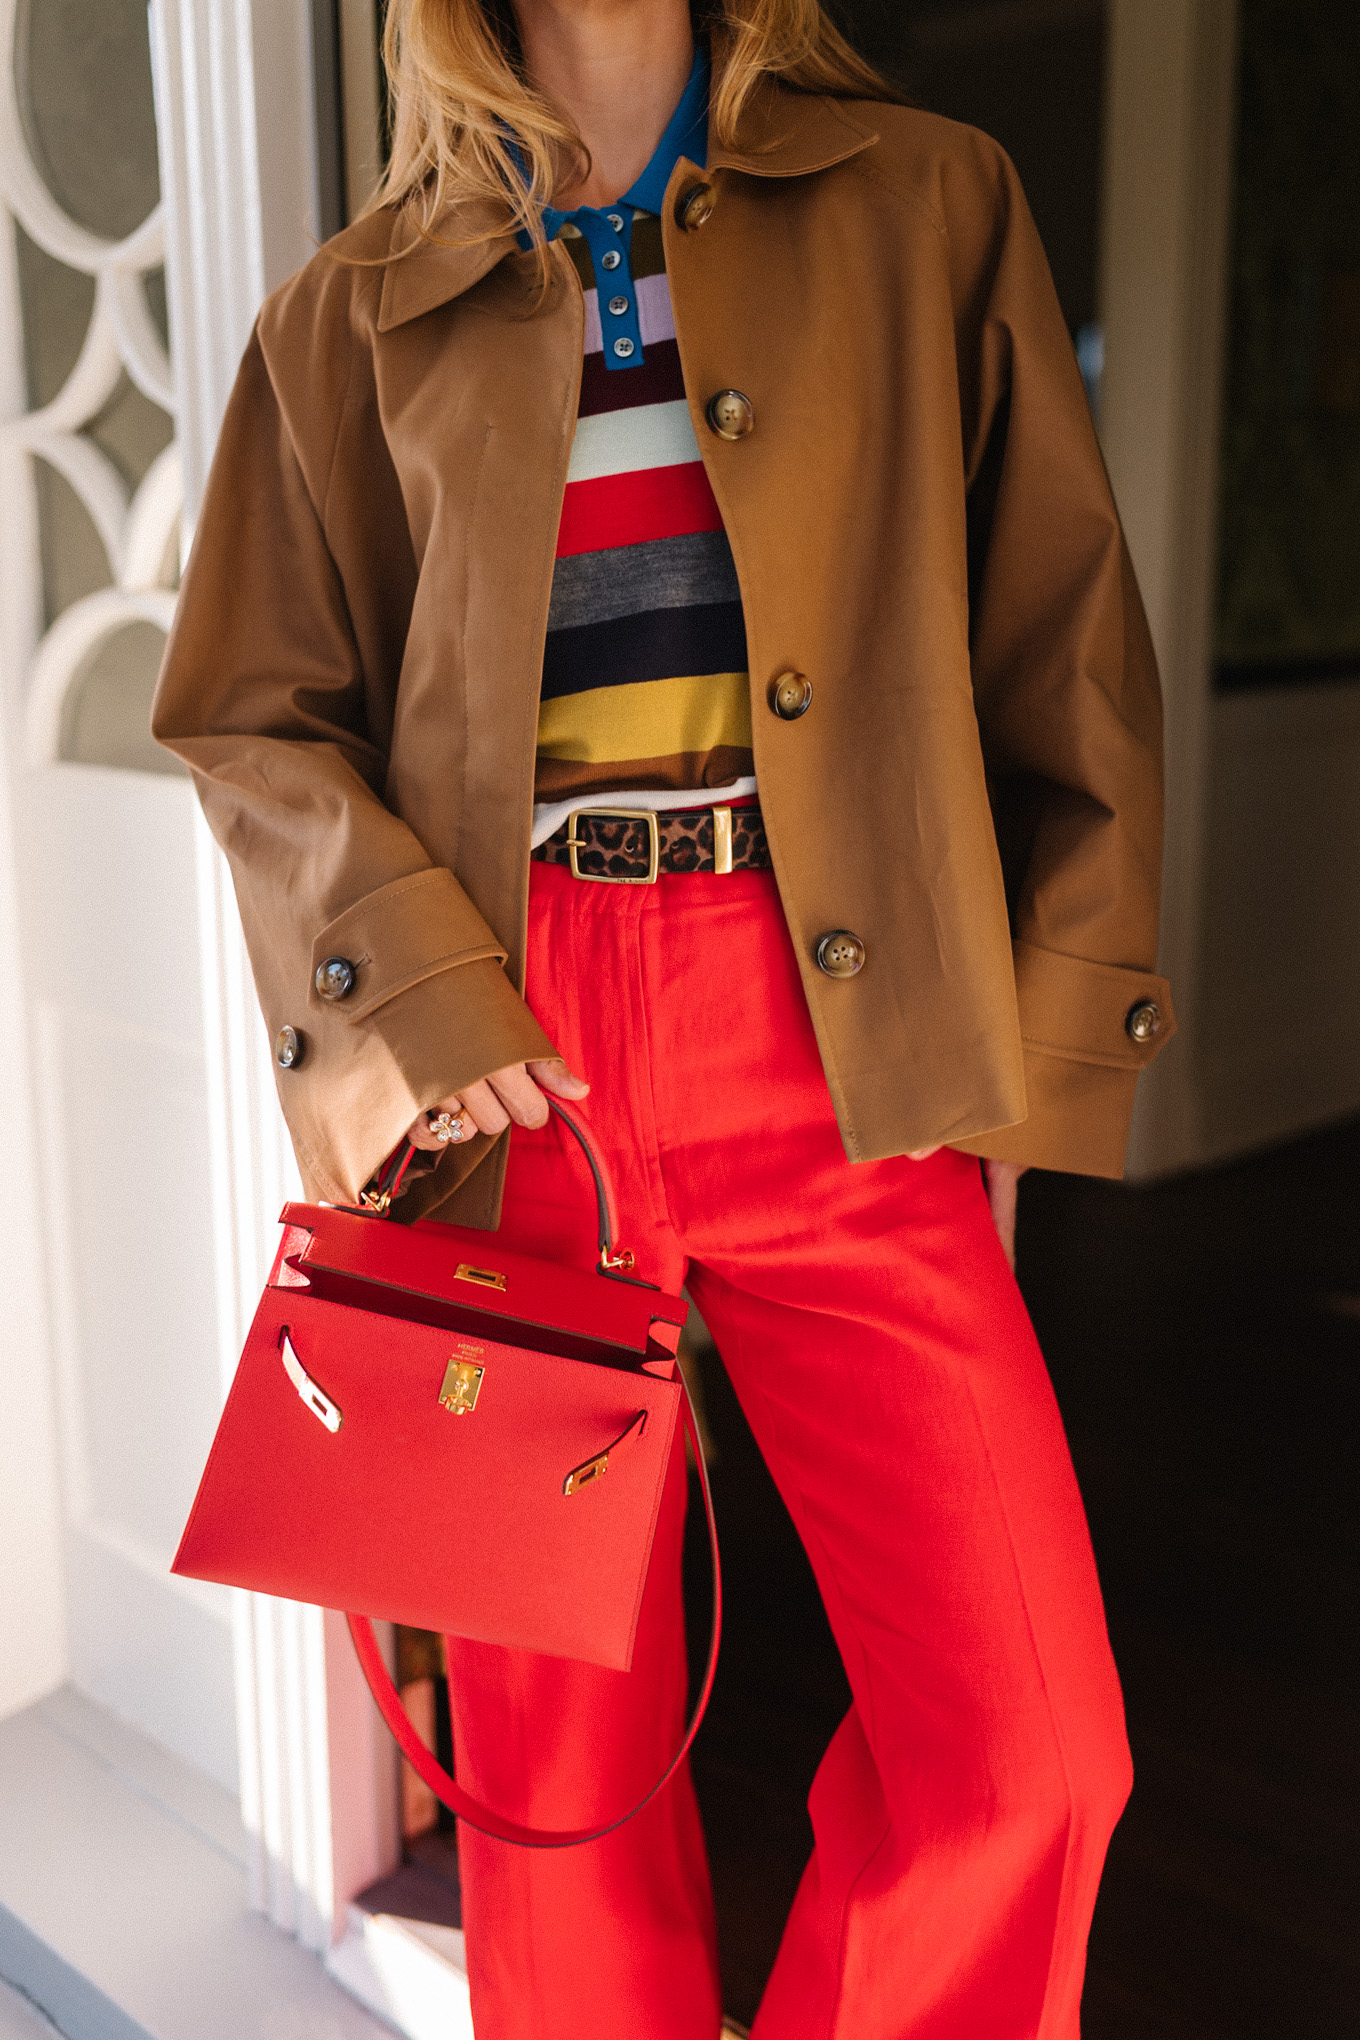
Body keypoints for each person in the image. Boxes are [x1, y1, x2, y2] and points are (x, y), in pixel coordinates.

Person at [153, 1, 1176, 2033]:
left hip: (839, 1022)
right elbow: (252, 712)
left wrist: (1024, 1054)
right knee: (554, 1793)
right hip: (520, 1057)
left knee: (1030, 1755)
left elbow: (1060, 648)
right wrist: (421, 1005)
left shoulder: (923, 198)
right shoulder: (354, 308)